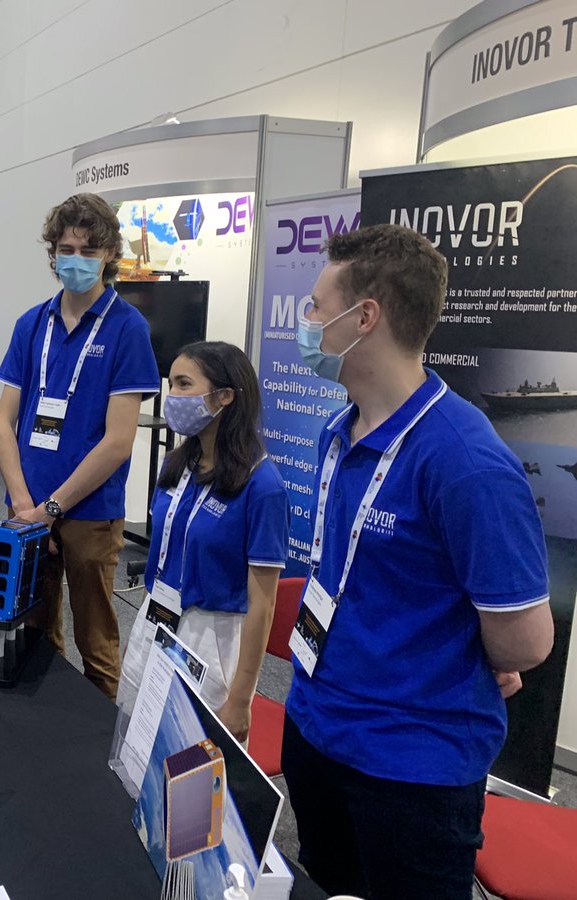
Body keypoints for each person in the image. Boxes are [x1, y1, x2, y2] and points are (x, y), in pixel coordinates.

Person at [282, 224, 553, 900]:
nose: (307, 322)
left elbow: (526, 639)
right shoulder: (337, 432)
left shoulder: (465, 461)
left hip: (409, 767)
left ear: (363, 316)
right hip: (317, 726)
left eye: (316, 306)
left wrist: (481, 648)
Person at [0, 192, 158, 699]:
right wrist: (24, 503)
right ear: (53, 253)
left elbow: (118, 440)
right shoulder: (31, 323)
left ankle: (97, 756)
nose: (76, 260)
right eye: (67, 249)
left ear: (109, 255)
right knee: (35, 634)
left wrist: (54, 506)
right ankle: (47, 740)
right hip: (26, 508)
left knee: (97, 642)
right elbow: (3, 420)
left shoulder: (128, 328)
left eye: (88, 251)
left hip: (88, 510)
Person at [129, 342, 289, 741]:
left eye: (184, 384)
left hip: (210, 635)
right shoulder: (177, 462)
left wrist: (241, 698)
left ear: (225, 397)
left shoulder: (263, 485)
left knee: (190, 775)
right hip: (155, 615)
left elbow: (263, 604)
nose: (173, 396)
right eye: (171, 384)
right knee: (134, 746)